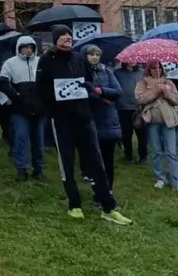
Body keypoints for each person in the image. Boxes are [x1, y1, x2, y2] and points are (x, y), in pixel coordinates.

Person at [36, 25, 132, 225]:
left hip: (84, 117)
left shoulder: (79, 58)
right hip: (62, 119)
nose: (67, 38)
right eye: (62, 36)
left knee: (95, 161)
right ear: (55, 40)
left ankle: (108, 206)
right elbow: (41, 88)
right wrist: (54, 104)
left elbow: (88, 80)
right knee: (68, 163)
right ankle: (74, 204)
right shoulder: (47, 59)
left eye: (69, 35)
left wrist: (88, 90)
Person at [0, 35, 45, 182]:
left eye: (30, 47)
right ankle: (22, 169)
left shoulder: (41, 62)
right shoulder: (10, 63)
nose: (28, 50)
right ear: (19, 48)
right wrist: (16, 96)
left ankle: (39, 170)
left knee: (39, 140)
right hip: (19, 108)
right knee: (21, 138)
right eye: (25, 47)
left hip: (40, 108)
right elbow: (4, 83)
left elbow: (48, 82)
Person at [136, 60, 178, 193]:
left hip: (168, 121)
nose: (156, 70)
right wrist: (155, 92)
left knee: (171, 151)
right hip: (152, 122)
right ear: (148, 70)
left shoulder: (168, 82)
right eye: (153, 68)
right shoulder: (142, 83)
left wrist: (167, 93)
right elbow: (140, 99)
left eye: (159, 68)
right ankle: (161, 178)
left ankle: (177, 180)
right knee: (157, 151)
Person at [85, 46, 122, 193]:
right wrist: (100, 96)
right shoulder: (82, 71)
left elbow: (118, 91)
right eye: (91, 54)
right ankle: (98, 191)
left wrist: (102, 91)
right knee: (94, 160)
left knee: (108, 160)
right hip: (91, 119)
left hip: (108, 120)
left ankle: (109, 189)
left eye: (97, 54)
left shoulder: (107, 71)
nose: (95, 57)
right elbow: (84, 93)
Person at [114, 62, 147, 164]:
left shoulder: (143, 73)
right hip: (123, 108)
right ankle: (128, 156)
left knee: (142, 134)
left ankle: (143, 156)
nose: (132, 61)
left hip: (139, 108)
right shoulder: (117, 73)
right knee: (126, 134)